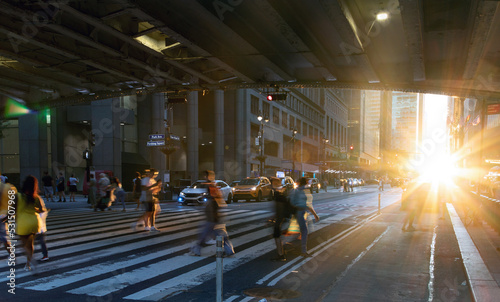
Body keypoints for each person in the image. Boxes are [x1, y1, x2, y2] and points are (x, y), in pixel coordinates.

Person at [191, 170, 234, 257]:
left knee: (206, 233)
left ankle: (197, 249)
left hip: (213, 214)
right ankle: (229, 250)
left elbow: (214, 199)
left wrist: (212, 213)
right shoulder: (214, 186)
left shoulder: (212, 186)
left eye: (205, 176)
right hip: (215, 214)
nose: (204, 178)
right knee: (220, 233)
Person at [15, 175, 43, 274]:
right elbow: (41, 209)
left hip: (22, 222)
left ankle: (32, 262)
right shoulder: (36, 197)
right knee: (30, 244)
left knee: (23, 246)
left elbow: (12, 210)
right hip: (34, 222)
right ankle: (28, 263)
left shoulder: (18, 196)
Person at [290, 177, 320, 257]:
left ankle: (299, 248)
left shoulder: (300, 191)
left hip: (302, 212)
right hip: (299, 212)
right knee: (304, 231)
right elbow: (294, 203)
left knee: (303, 231)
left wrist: (314, 214)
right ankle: (303, 251)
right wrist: (315, 215)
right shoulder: (299, 191)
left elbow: (307, 204)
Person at [269, 177, 292, 261]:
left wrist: (276, 218)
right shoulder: (281, 192)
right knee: (277, 236)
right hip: (280, 218)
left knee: (277, 236)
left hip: (279, 219)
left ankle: (281, 255)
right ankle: (281, 254)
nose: (270, 185)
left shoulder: (277, 194)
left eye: (271, 183)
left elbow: (279, 208)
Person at [0, 177, 15, 255]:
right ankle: (11, 254)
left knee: (3, 237)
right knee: (3, 236)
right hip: (4, 215)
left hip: (1, 216)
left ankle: (11, 254)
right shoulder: (9, 187)